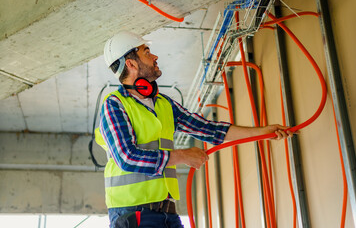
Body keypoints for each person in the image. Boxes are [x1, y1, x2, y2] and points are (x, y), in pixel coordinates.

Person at [96, 31, 294, 228]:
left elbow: (208, 129)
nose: (155, 56)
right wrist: (182, 155)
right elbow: (126, 157)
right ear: (131, 64)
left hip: (167, 213)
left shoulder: (163, 104)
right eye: (147, 52)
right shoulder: (115, 105)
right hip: (134, 215)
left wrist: (264, 132)